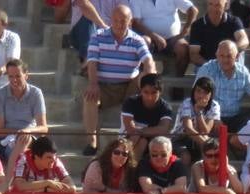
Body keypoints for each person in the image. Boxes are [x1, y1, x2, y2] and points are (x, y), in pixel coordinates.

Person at [83, 4, 157, 154]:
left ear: (130, 22)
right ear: (111, 20)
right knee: (89, 98)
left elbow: (148, 61)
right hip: (104, 86)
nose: (118, 24)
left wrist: (149, 73)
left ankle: (132, 138)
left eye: (123, 21)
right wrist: (93, 83)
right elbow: (92, 63)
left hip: (129, 86)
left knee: (145, 76)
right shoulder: (97, 37)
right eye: (115, 20)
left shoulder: (137, 40)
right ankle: (92, 143)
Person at [0, 59, 49, 167]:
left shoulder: (36, 93)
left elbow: (44, 128)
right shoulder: (0, 94)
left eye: (18, 76)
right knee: (19, 145)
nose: (14, 80)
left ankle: (12, 175)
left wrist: (27, 131)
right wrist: (20, 132)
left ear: (26, 75)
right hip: (7, 139)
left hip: (30, 136)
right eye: (10, 77)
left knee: (24, 141)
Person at [180, 0, 249, 73]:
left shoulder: (234, 21)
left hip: (229, 64)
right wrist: (212, 66)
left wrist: (230, 49)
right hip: (207, 66)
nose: (213, 8)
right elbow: (194, 54)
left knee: (239, 57)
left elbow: (244, 40)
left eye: (217, 5)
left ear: (226, 6)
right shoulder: (197, 25)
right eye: (210, 4)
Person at [130, 0, 198, 72]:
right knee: (143, 42)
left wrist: (185, 31)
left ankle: (178, 79)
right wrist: (155, 37)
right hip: (148, 38)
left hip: (173, 39)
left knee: (183, 48)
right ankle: (143, 78)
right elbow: (136, 23)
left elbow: (193, 10)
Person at [121, 73, 175, 160]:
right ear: (140, 90)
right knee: (139, 139)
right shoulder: (130, 102)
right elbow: (130, 129)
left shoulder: (166, 107)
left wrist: (141, 131)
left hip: (152, 142)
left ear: (160, 92)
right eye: (146, 92)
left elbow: (164, 129)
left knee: (146, 141)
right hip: (129, 139)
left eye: (154, 93)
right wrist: (147, 132)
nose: (149, 97)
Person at [171, 75, 221, 164]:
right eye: (198, 91)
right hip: (180, 138)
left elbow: (205, 131)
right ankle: (184, 177)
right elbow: (188, 129)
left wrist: (198, 112)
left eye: (205, 92)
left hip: (199, 138)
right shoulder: (187, 103)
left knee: (208, 147)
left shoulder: (214, 106)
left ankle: (205, 175)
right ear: (193, 91)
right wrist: (205, 143)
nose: (201, 95)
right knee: (185, 156)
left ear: (211, 94)